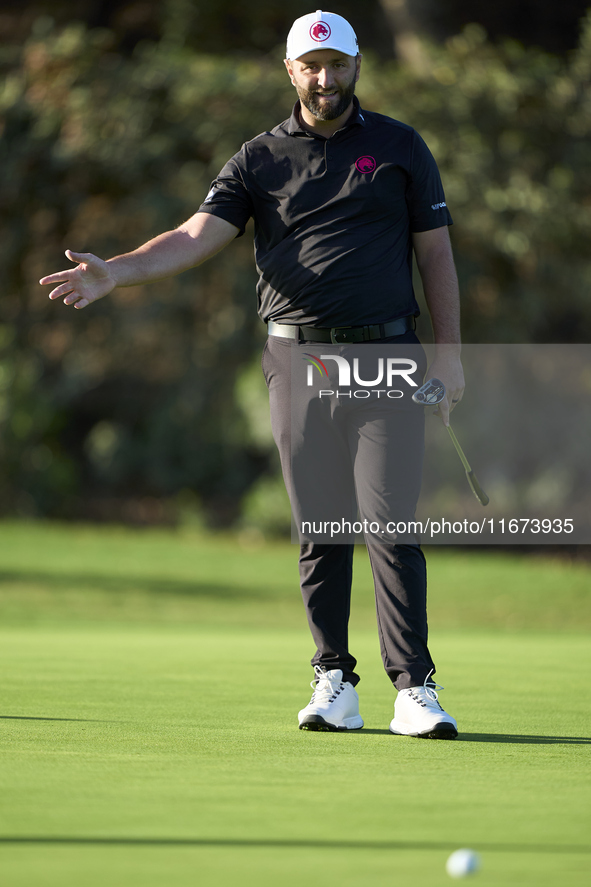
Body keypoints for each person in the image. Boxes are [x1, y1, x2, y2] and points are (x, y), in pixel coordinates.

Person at [40, 10, 464, 739]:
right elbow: (193, 235)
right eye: (311, 66)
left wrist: (452, 352)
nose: (324, 79)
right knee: (319, 528)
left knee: (389, 525)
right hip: (295, 359)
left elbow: (435, 254)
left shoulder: (400, 147)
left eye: (336, 65)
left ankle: (413, 688)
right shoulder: (258, 158)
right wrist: (120, 272)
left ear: (356, 65)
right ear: (291, 70)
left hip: (386, 356)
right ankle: (333, 680)